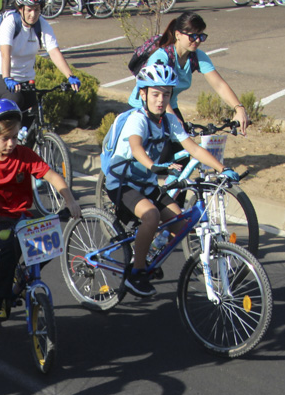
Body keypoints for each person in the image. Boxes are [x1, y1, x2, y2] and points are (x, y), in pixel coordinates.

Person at [101, 63, 236, 298]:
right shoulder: (137, 119)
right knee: (151, 215)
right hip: (122, 183)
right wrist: (153, 165)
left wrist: (223, 168)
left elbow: (193, 148)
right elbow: (136, 146)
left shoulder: (168, 121)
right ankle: (136, 273)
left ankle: (146, 255)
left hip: (147, 184)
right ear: (142, 94)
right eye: (155, 94)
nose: (161, 100)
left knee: (183, 224)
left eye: (166, 94)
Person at [0, 99, 78, 319]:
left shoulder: (24, 154)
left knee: (49, 243)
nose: (11, 143)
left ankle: (18, 279)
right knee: (10, 248)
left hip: (20, 217)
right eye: (5, 138)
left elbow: (51, 175)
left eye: (15, 137)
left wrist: (70, 199)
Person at [126, 11, 249, 135]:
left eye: (201, 36)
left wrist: (239, 108)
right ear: (178, 35)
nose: (197, 40)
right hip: (146, 107)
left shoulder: (196, 56)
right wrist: (174, 119)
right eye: (192, 36)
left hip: (168, 105)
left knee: (183, 149)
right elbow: (158, 92)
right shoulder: (162, 57)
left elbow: (219, 85)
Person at [0, 0, 80, 109]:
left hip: (25, 77)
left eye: (37, 9)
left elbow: (54, 52)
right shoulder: (11, 22)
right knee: (14, 100)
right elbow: (5, 54)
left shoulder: (42, 24)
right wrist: (7, 77)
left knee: (33, 111)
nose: (33, 14)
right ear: (20, 9)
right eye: (29, 10)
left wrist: (70, 76)